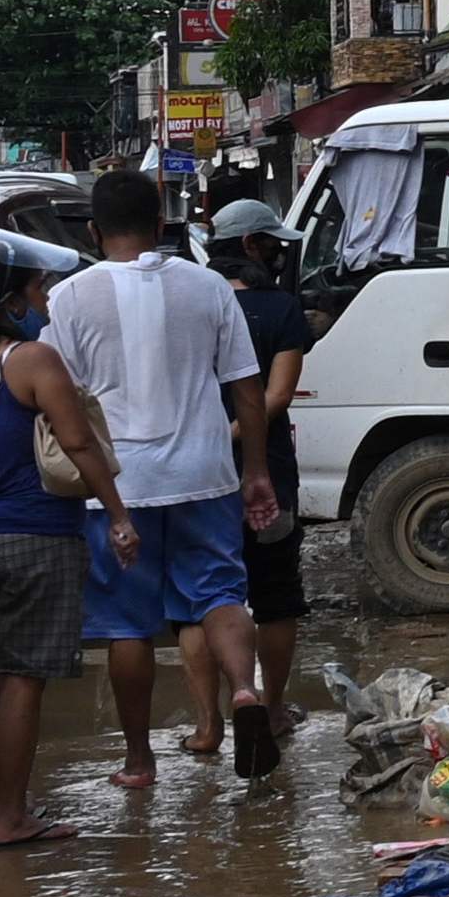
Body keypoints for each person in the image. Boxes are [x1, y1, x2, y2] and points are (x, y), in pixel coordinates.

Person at [44, 173, 280, 785]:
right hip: (206, 473)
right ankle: (248, 695)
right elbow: (246, 391)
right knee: (222, 596)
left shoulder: (69, 297)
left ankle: (139, 760)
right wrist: (255, 470)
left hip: (117, 486)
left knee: (128, 625)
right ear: (160, 226)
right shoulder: (207, 287)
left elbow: (60, 402)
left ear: (93, 232)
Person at [0, 242, 141, 845]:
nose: (44, 303)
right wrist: (117, 516)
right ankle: (11, 818)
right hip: (37, 537)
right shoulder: (31, 360)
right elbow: (80, 445)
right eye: (38, 292)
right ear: (11, 302)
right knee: (22, 679)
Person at [178, 198, 318, 761]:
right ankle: (274, 708)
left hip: (197, 474)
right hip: (269, 474)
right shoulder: (282, 309)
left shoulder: (191, 305)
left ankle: (208, 724)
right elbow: (276, 398)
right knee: (276, 597)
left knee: (200, 600)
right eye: (275, 244)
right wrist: (237, 437)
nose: (282, 254)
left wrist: (208, 440)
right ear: (254, 248)